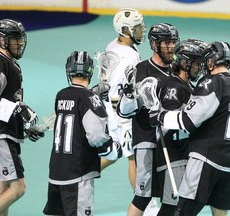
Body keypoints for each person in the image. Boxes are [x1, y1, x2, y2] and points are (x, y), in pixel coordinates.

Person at [150, 41, 230, 216]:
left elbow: (188, 121)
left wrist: (160, 117)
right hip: (229, 163)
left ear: (211, 62)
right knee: (219, 213)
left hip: (205, 159)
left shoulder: (211, 83)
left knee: (182, 212)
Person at [0, 19, 44, 216]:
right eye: (15, 39)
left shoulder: (11, 65)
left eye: (20, 39)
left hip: (4, 133)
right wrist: (18, 110)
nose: (20, 43)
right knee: (18, 188)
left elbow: (9, 103)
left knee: (3, 190)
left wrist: (25, 126)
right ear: (2, 40)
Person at [43, 51, 122, 216]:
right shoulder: (90, 98)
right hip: (77, 174)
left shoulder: (61, 95)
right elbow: (97, 137)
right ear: (90, 71)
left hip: (56, 172)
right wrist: (114, 149)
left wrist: (94, 95)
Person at [117, 23, 180, 216]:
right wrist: (130, 95)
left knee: (173, 198)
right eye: (167, 43)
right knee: (143, 197)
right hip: (147, 140)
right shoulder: (141, 69)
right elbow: (124, 111)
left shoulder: (177, 69)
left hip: (172, 143)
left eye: (173, 42)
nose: (172, 47)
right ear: (154, 44)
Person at [100, 7, 146, 207]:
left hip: (111, 110)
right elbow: (117, 91)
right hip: (120, 113)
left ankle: (80, 175)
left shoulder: (114, 45)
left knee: (115, 153)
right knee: (134, 157)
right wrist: (125, 117)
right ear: (126, 30)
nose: (142, 30)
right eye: (138, 27)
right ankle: (146, 203)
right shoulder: (127, 56)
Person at [155, 39, 206, 216]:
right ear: (184, 62)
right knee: (172, 207)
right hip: (172, 154)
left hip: (184, 154)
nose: (199, 68)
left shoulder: (186, 86)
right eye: (197, 63)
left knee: (183, 206)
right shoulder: (174, 87)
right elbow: (168, 123)